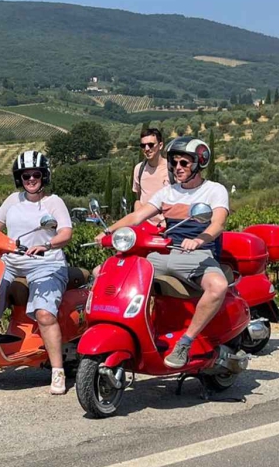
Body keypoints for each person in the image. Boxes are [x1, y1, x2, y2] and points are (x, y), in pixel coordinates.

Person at [99, 137, 230, 369]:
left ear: (199, 164)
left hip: (198, 255)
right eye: (174, 163)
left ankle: (185, 342)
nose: (177, 167)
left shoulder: (214, 191)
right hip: (164, 253)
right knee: (104, 271)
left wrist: (199, 240)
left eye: (184, 163)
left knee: (218, 286)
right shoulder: (167, 192)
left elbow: (218, 224)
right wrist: (108, 231)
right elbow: (137, 216)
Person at [0, 150, 73, 395]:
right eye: (26, 176)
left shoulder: (53, 202)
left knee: (45, 314)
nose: (31, 179)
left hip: (47, 263)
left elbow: (65, 232)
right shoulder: (13, 200)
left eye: (36, 174)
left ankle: (58, 370)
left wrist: (47, 245)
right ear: (19, 178)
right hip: (12, 262)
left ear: (44, 176)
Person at [132, 127, 168, 224]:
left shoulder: (172, 169)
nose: (147, 149)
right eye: (143, 146)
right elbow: (139, 198)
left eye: (151, 145)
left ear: (160, 145)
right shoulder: (138, 169)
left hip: (168, 227)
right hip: (145, 227)